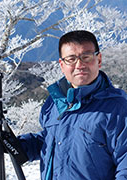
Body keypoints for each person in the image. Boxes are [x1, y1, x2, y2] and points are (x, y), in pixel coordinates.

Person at [18, 30, 127, 180]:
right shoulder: (55, 103)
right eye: (71, 59)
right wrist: (21, 146)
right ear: (62, 65)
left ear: (99, 59)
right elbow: (50, 140)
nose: (79, 65)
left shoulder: (118, 109)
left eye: (86, 57)